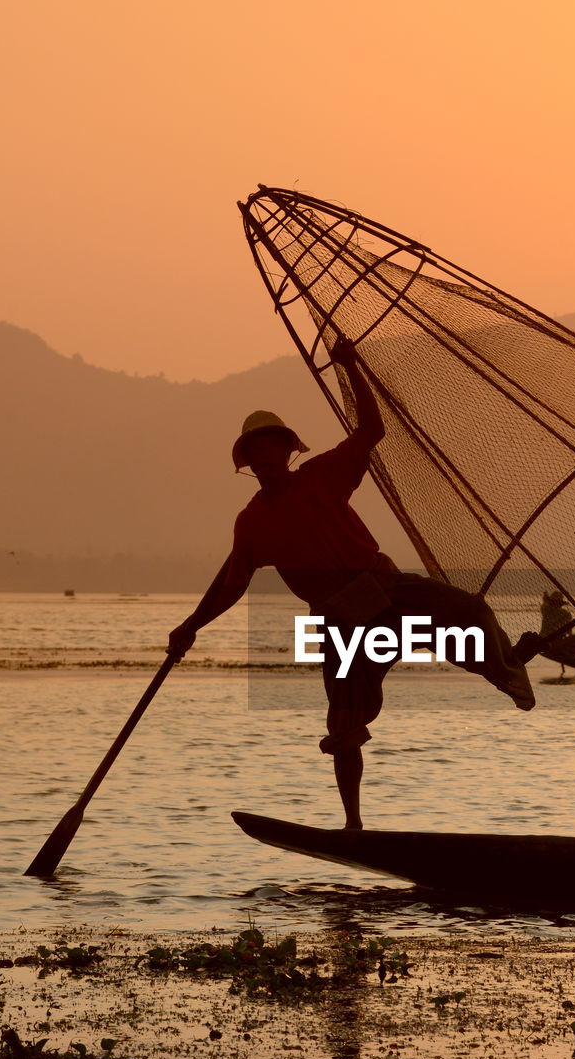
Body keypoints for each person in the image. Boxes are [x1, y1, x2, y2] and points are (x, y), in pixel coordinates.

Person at [167, 340, 534, 829]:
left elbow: (371, 430)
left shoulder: (321, 476)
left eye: (273, 447)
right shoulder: (251, 523)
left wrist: (352, 366)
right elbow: (232, 585)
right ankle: (353, 825)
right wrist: (190, 626)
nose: (266, 457)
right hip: (341, 620)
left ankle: (507, 668)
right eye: (256, 452)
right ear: (249, 463)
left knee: (469, 613)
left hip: (386, 588)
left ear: (286, 451)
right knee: (344, 725)